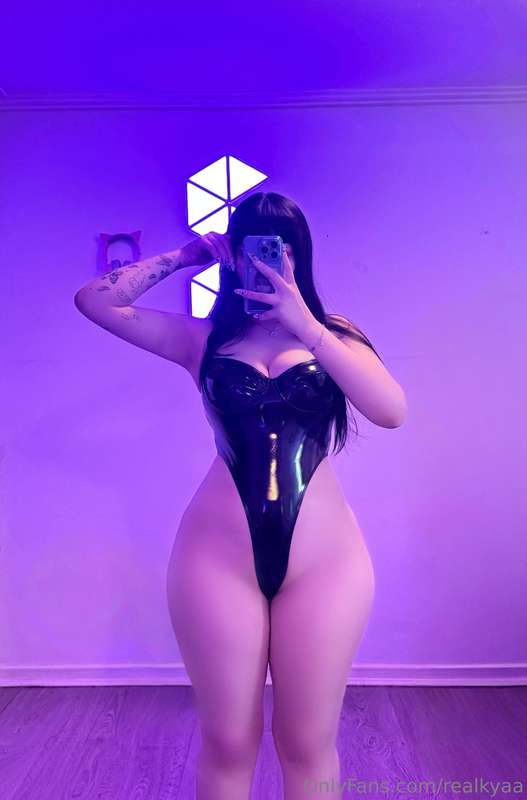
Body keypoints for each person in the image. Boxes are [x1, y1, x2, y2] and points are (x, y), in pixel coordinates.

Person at [74, 192, 407, 800]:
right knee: (228, 741)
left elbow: (391, 411)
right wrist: (183, 257)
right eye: (255, 245)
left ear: (300, 254)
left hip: (327, 564)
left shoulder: (335, 336)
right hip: (216, 559)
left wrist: (307, 326)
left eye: (282, 247)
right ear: (235, 255)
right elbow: (94, 301)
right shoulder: (202, 340)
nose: (270, 260)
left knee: (307, 744)